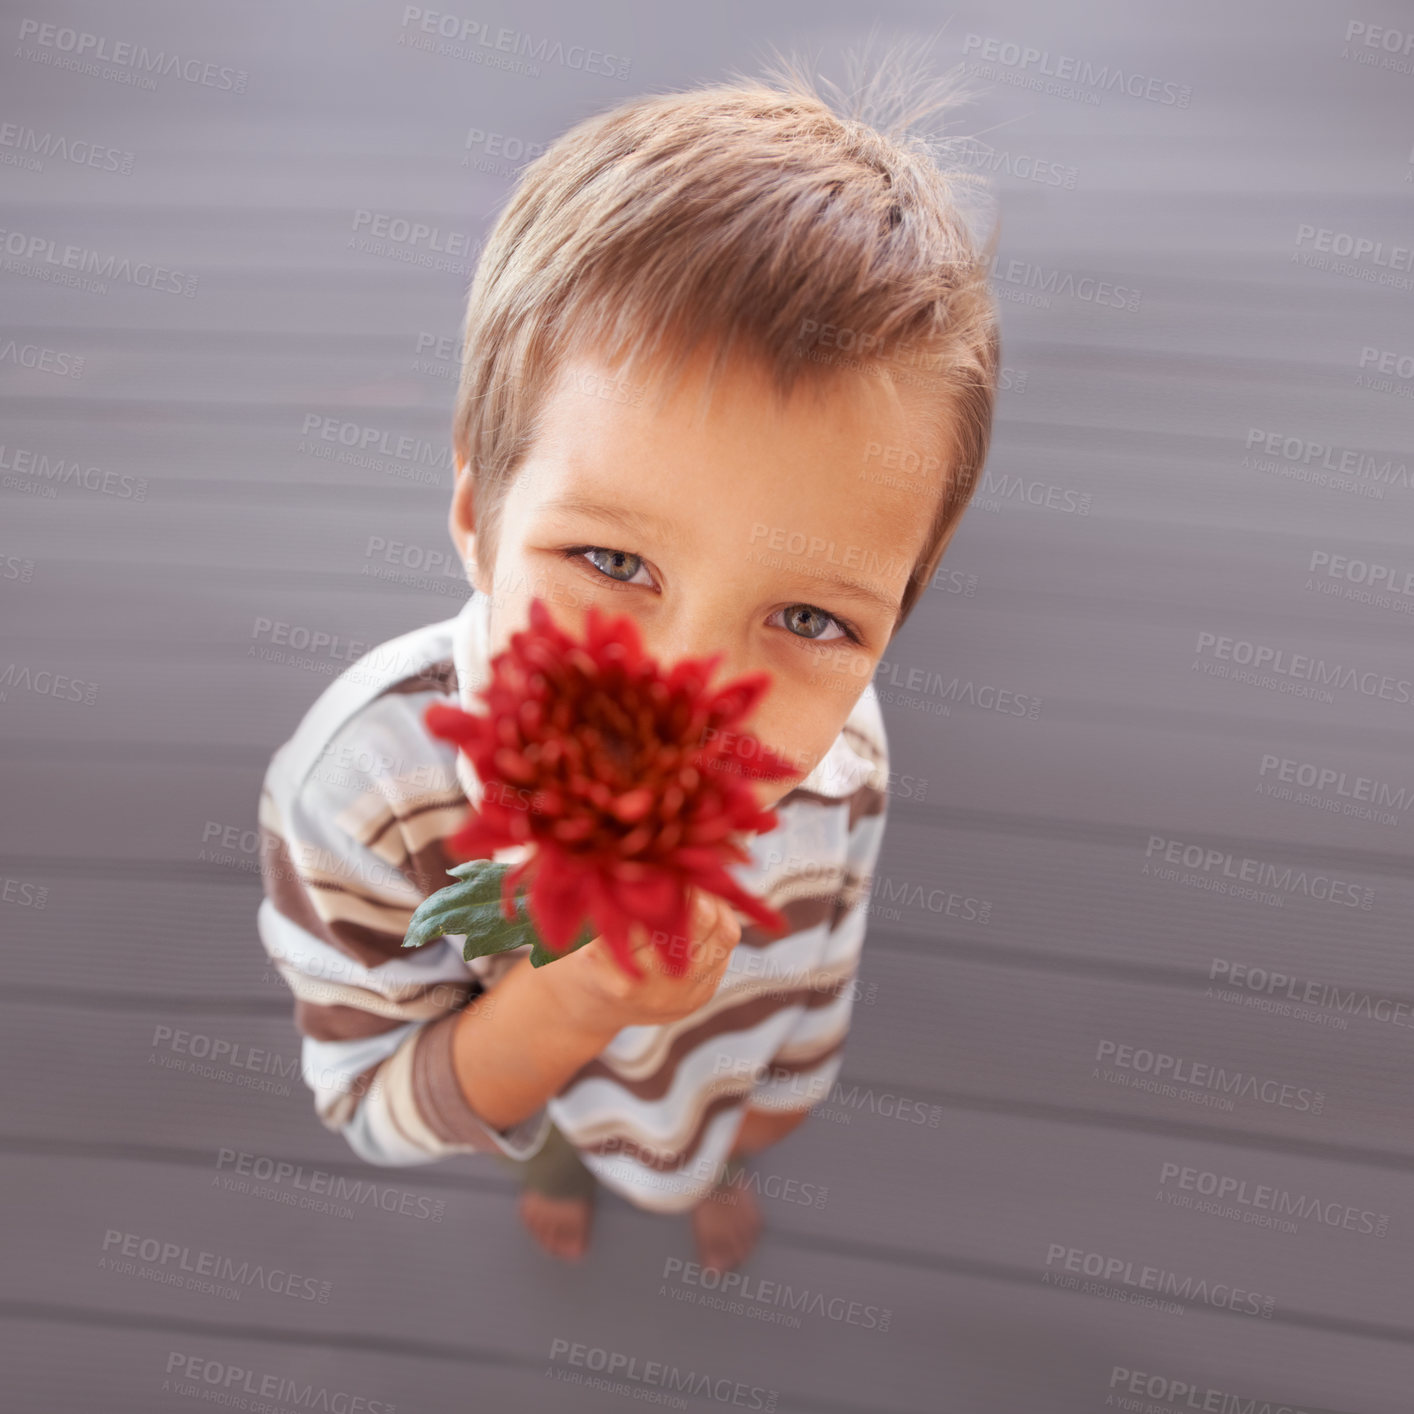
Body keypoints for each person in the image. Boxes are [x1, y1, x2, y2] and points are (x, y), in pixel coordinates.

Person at [255, 49, 999, 1275]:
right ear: (475, 508)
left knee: (699, 1145)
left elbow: (824, 947)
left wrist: (785, 1089)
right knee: (556, 1136)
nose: (689, 697)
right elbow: (379, 1101)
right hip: (530, 1098)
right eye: (612, 559)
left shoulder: (842, 750)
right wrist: (577, 1001)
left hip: (722, 1080)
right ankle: (570, 1181)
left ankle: (701, 1172)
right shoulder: (367, 790)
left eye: (811, 620)